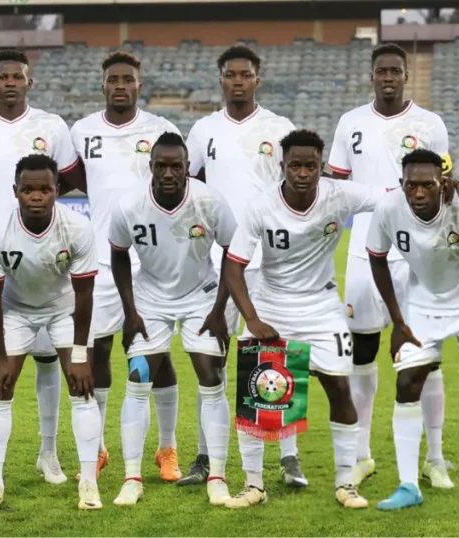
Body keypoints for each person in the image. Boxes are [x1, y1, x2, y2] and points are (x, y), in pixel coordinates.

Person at [222, 129, 377, 510]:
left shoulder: (342, 195)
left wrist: (441, 185)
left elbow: (395, 197)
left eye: (310, 165)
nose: (303, 172)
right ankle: (254, 485)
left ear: (322, 166)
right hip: (272, 304)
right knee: (256, 395)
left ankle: (346, 483)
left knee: (339, 388)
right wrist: (253, 319)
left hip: (322, 306)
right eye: (295, 165)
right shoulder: (262, 206)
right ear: (282, 166)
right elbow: (234, 265)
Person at [327, 42, 454, 488]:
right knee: (362, 354)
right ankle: (362, 455)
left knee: (427, 355)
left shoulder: (430, 125)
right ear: (371, 76)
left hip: (420, 256)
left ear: (406, 77)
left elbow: (445, 187)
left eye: (395, 71)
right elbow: (337, 193)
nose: (387, 77)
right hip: (365, 252)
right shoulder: (350, 124)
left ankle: (434, 457)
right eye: (380, 71)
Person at [365, 149, 459, 515]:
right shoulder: (388, 209)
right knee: (406, 385)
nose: (418, 193)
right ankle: (408, 485)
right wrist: (399, 322)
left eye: (427, 185)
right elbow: (376, 258)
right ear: (401, 184)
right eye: (411, 185)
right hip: (421, 304)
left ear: (443, 183)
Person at [0, 49, 85, 485]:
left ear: (29, 83)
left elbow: (66, 177)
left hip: (44, 255)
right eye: (3, 76)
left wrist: (40, 212)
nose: (10, 82)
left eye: (18, 76)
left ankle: (48, 453)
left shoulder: (51, 126)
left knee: (50, 360)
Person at [182, 44, 307, 488]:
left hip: (268, 261)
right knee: (208, 358)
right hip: (215, 262)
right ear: (221, 79)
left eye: (246, 74)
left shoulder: (279, 127)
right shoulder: (202, 130)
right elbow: (189, 190)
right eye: (231, 74)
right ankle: (203, 455)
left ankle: (288, 458)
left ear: (258, 79)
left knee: (276, 357)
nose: (238, 80)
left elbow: (294, 187)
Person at [69, 51, 184, 482]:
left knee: (155, 356)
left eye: (128, 79)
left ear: (139, 85)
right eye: (113, 79)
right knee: (97, 352)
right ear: (103, 85)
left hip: (151, 260)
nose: (121, 85)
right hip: (99, 258)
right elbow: (78, 178)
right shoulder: (82, 130)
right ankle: (97, 448)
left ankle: (167, 448)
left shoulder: (161, 129)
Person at [108, 133, 236, 506]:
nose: (168, 173)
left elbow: (233, 251)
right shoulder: (130, 205)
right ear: (150, 168)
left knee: (211, 375)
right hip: (150, 298)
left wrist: (218, 311)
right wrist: (130, 313)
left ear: (187, 169)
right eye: (160, 166)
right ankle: (132, 478)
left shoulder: (209, 201)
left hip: (201, 296)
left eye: (175, 166)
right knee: (138, 377)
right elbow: (118, 255)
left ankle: (217, 476)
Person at [0, 155, 103, 511]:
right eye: (27, 189)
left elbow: (84, 294)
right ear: (15, 191)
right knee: (0, 389)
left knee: (82, 390)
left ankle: (89, 483)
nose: (36, 196)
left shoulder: (77, 227)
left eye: (44, 189)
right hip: (15, 310)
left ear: (57, 191)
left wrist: (79, 354)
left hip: (64, 310)